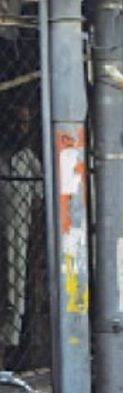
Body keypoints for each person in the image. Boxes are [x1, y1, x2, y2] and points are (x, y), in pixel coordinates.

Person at [0, 105, 42, 366]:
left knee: (14, 295)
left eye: (25, 124)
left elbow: (38, 201)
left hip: (18, 240)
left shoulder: (28, 159)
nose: (20, 129)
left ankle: (6, 357)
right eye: (16, 122)